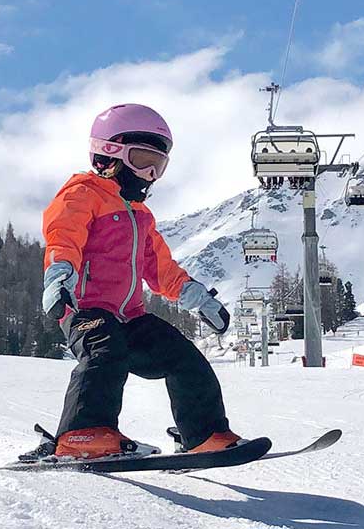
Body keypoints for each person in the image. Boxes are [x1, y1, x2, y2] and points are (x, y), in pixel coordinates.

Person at [28, 103, 240, 461]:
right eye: (142, 159)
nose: (150, 173)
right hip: (86, 310)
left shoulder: (141, 216)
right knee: (104, 353)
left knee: (185, 358)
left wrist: (198, 298)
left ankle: (203, 434)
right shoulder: (82, 194)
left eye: (159, 165)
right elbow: (64, 236)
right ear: (108, 153)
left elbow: (160, 268)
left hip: (131, 316)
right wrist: (59, 276)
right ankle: (82, 434)